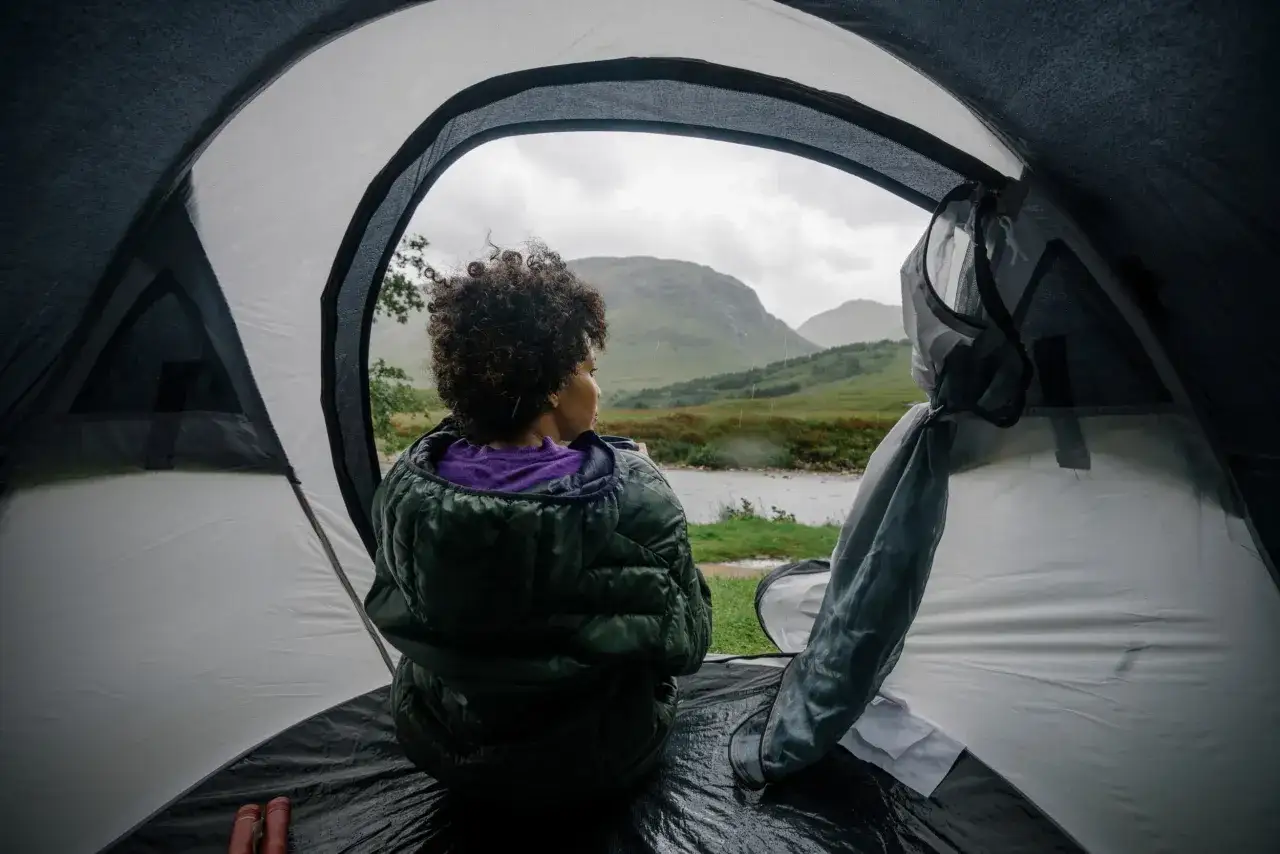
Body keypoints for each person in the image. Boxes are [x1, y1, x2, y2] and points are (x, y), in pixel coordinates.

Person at [365, 242, 713, 809]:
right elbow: (690, 642)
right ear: (552, 384)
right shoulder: (635, 494)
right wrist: (639, 476)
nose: (597, 388)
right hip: (597, 761)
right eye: (589, 371)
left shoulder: (407, 485)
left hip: (442, 746)